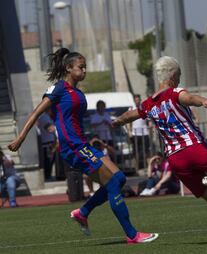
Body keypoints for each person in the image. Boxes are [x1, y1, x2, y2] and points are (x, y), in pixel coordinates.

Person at [7, 48, 158, 244]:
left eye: (85, 67)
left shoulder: (77, 92)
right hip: (72, 147)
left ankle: (84, 212)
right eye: (81, 67)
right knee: (112, 183)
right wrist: (20, 138)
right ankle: (132, 234)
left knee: (119, 178)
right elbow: (36, 113)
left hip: (82, 144)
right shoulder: (58, 89)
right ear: (68, 68)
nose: (85, 70)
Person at [112, 56, 207, 243]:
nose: (179, 79)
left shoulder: (148, 103)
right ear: (173, 75)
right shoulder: (175, 92)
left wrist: (117, 121)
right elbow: (189, 98)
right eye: (179, 75)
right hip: (194, 147)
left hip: (176, 160)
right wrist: (203, 101)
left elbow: (131, 114)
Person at [129, 94, 151, 169]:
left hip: (144, 133)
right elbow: (129, 122)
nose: (137, 101)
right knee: (136, 152)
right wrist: (129, 132)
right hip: (135, 134)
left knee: (147, 151)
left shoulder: (144, 108)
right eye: (136, 100)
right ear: (134, 101)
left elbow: (149, 121)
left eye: (138, 100)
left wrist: (150, 129)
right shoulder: (131, 109)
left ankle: (149, 167)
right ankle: (136, 168)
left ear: (140, 100)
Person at [37, 109, 56, 181]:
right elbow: (51, 130)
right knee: (49, 160)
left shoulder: (42, 118)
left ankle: (47, 175)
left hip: (45, 142)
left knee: (47, 160)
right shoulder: (47, 118)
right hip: (48, 142)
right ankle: (48, 176)